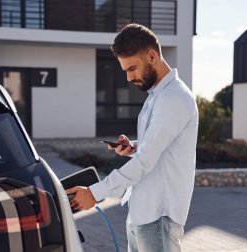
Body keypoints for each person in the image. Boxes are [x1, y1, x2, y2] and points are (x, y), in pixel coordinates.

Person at [66, 23, 198, 252]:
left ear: (151, 55)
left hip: (158, 218)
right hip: (142, 214)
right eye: (125, 70)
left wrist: (94, 193)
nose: (128, 77)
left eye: (132, 68)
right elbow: (158, 146)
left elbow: (145, 161)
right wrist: (135, 146)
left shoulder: (173, 99)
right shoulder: (156, 97)